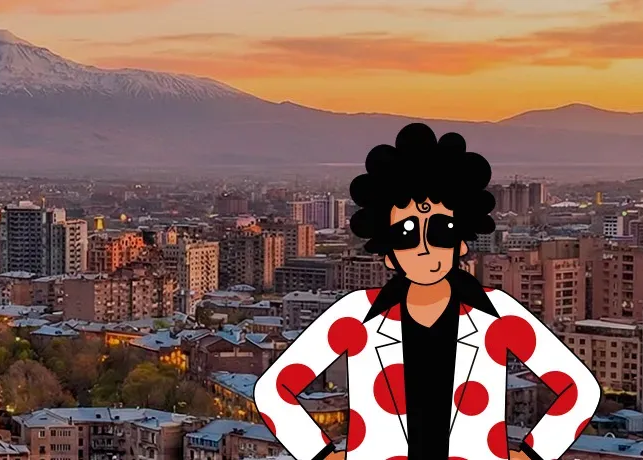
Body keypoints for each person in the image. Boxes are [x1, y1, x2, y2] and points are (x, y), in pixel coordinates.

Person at [253, 123, 599, 460]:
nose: (423, 247)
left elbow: (579, 390)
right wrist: (322, 454)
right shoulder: (356, 315)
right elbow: (274, 391)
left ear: (461, 242)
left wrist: (533, 454)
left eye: (441, 231)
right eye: (406, 234)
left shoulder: (497, 314)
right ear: (387, 252)